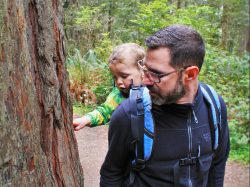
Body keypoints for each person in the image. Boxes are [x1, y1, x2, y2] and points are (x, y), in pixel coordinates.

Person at [100, 25, 230, 187]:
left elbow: (217, 165)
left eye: (156, 74)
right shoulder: (130, 114)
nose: (145, 81)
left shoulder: (215, 108)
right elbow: (112, 173)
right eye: (145, 69)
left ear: (190, 74)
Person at [73, 43, 145, 131]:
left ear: (143, 71)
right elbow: (104, 111)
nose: (118, 82)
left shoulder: (154, 92)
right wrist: (86, 119)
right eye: (115, 77)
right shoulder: (118, 95)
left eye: (124, 76)